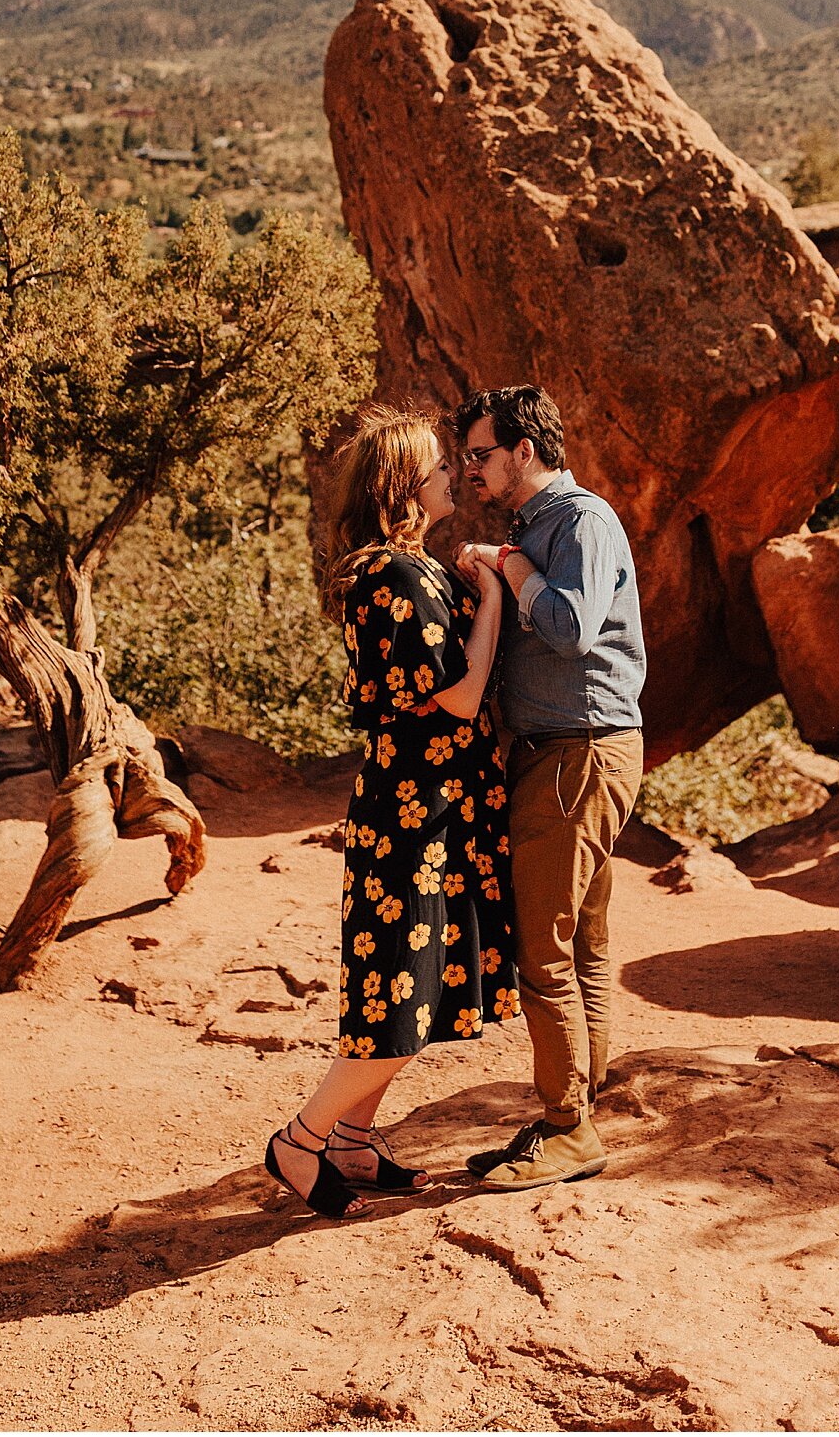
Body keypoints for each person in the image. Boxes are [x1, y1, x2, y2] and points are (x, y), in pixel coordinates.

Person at [263, 404, 521, 1221]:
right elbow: (460, 692)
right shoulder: (398, 575)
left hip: (430, 807)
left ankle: (353, 1143)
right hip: (417, 817)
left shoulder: (403, 567)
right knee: (397, 992)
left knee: (415, 988)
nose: (453, 475)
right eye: (439, 467)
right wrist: (495, 607)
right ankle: (301, 1140)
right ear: (404, 484)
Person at [452, 384, 645, 1191]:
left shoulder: (579, 522)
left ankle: (569, 1130)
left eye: (480, 456)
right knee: (587, 946)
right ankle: (578, 1113)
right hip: (566, 752)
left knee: (545, 951)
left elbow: (569, 629)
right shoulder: (537, 527)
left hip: (578, 754)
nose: (470, 472)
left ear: (524, 451)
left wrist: (514, 568)